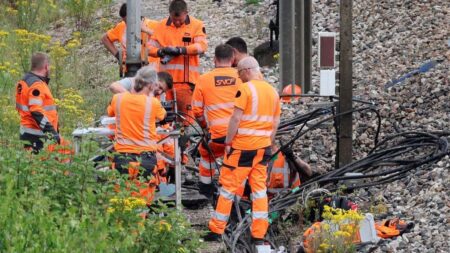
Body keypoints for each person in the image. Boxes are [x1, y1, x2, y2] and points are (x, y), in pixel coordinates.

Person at [207, 56, 281, 244]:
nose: (239, 79)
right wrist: (268, 143)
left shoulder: (245, 89)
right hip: (263, 148)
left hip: (242, 149)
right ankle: (259, 234)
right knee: (259, 192)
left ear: (246, 71)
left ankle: (216, 230)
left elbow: (235, 118)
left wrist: (228, 142)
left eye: (239, 75)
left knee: (228, 189)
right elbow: (275, 122)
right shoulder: (273, 91)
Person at [107, 66, 166, 204]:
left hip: (122, 158)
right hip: (145, 159)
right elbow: (162, 116)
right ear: (151, 85)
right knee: (141, 203)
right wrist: (150, 95)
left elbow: (110, 111)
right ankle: (138, 225)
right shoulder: (153, 103)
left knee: (121, 202)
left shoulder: (118, 99)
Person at [191, 44, 242, 196]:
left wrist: (205, 127)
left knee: (206, 153)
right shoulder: (241, 77)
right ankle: (239, 190)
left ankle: (205, 187)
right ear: (233, 59)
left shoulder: (204, 79)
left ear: (214, 59)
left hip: (217, 136)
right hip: (239, 135)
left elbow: (197, 111)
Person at [148, 0, 208, 124]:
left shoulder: (196, 25)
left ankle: (185, 143)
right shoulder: (161, 26)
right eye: (174, 19)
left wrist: (181, 50)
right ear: (169, 13)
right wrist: (160, 52)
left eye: (179, 20)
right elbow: (149, 48)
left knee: (186, 120)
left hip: (186, 83)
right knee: (164, 118)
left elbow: (201, 47)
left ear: (186, 13)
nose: (176, 22)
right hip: (165, 83)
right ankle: (167, 143)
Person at [15, 52, 60, 153]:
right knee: (40, 167)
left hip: (28, 133)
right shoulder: (37, 85)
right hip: (38, 136)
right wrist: (51, 132)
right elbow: (36, 111)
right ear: (46, 66)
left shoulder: (23, 82)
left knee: (32, 166)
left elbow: (21, 109)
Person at [101, 3, 160, 76]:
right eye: (125, 21)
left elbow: (164, 39)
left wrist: (146, 30)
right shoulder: (122, 26)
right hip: (129, 71)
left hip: (152, 73)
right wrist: (118, 56)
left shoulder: (153, 25)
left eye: (128, 21)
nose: (127, 24)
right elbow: (105, 39)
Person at [109, 71, 173, 99]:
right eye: (160, 87)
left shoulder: (153, 97)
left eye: (163, 91)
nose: (159, 92)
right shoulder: (135, 82)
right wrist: (132, 99)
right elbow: (113, 86)